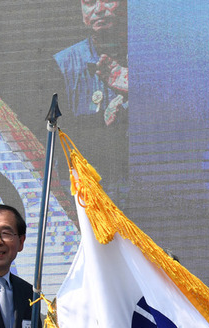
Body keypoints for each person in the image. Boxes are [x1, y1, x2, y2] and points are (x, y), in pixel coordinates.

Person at [51, 1, 128, 195]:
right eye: (89, 2)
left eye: (108, 0)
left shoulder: (154, 54)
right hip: (88, 191)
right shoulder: (62, 64)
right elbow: (55, 137)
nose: (99, 9)